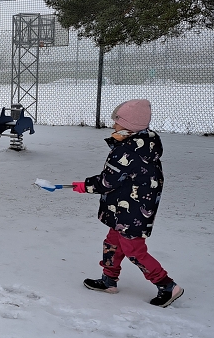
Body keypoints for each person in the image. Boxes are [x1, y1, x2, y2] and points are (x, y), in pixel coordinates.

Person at [72, 99, 184, 307]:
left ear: (129, 125)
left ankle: (167, 285)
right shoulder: (142, 144)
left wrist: (85, 186)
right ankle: (109, 280)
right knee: (112, 243)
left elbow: (108, 180)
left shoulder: (128, 150)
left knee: (133, 250)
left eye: (117, 121)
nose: (114, 124)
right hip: (124, 207)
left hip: (132, 210)